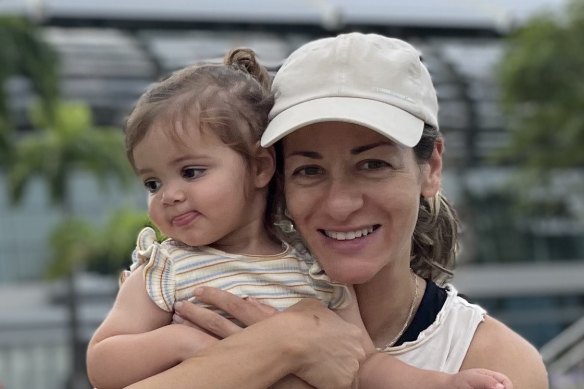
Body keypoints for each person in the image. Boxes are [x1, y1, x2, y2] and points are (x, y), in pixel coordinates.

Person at [92, 34, 540, 389]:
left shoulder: (488, 360)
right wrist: (281, 346)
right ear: (272, 174)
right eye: (309, 169)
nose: (341, 202)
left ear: (431, 168)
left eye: (373, 164)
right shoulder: (170, 272)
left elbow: (366, 368)